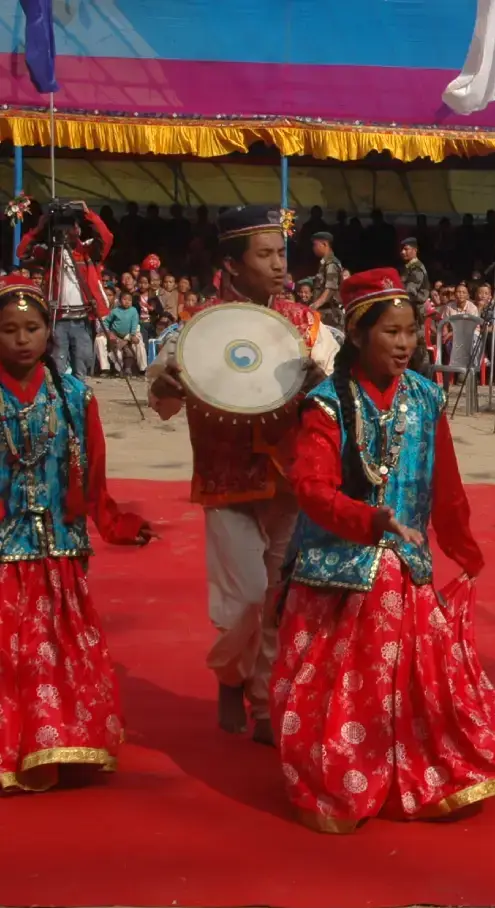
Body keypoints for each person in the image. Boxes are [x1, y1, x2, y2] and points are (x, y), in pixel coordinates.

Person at [271, 269, 495, 832]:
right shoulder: (325, 405)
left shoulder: (427, 397)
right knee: (375, 608)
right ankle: (349, 772)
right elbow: (310, 489)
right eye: (392, 331)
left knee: (404, 626)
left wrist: (462, 547)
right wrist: (371, 519)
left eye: (412, 330)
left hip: (403, 564)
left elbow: (446, 484)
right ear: (359, 335)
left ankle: (406, 767)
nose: (406, 342)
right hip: (337, 565)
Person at [145, 207, 339, 745]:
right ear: (232, 264)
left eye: (281, 253)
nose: (279, 265)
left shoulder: (305, 323)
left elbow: (334, 391)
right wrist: (171, 385)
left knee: (280, 597)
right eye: (266, 254)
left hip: (290, 477)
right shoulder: (199, 324)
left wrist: (324, 379)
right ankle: (230, 676)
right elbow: (159, 396)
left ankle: (264, 704)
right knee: (249, 598)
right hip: (227, 478)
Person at [0, 275, 155, 793]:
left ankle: (56, 742)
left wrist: (116, 526)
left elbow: (93, 479)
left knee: (56, 647)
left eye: (33, 327)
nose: (22, 339)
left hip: (59, 552)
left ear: (50, 330)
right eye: (9, 330)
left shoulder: (73, 396)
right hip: (5, 550)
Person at [18, 201, 113, 378]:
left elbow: (106, 238)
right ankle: (59, 403)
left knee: (81, 369)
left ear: (78, 229)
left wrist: (88, 213)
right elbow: (22, 252)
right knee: (57, 368)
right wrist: (41, 226)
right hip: (58, 319)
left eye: (72, 226)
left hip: (82, 319)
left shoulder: (87, 251)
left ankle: (79, 403)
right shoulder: (50, 254)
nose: (67, 230)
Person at [310, 232, 344, 332]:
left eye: (315, 244)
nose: (313, 248)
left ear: (324, 244)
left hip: (330, 314)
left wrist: (315, 305)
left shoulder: (331, 263)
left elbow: (331, 288)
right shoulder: (324, 263)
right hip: (324, 312)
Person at [400, 237, 432, 306]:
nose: (402, 252)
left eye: (406, 249)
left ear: (414, 250)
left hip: (417, 306)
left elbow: (410, 290)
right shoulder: (408, 266)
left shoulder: (417, 268)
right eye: (402, 249)